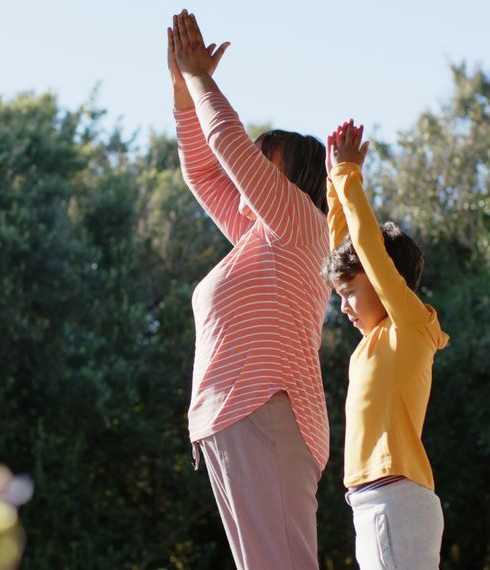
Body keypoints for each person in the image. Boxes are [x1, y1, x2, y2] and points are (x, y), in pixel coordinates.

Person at [168, 10, 330, 569]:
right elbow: (203, 172)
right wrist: (183, 92)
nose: (253, 164)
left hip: (269, 412)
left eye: (269, 157)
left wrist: (201, 79)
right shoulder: (261, 238)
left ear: (294, 177)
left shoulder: (301, 220)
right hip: (237, 421)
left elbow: (229, 150)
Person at [323, 119, 450, 569]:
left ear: (384, 282)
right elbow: (347, 251)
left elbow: (368, 253)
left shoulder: (409, 327)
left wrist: (348, 176)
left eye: (350, 294)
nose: (344, 307)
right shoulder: (377, 339)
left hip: (392, 498)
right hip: (374, 501)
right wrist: (334, 186)